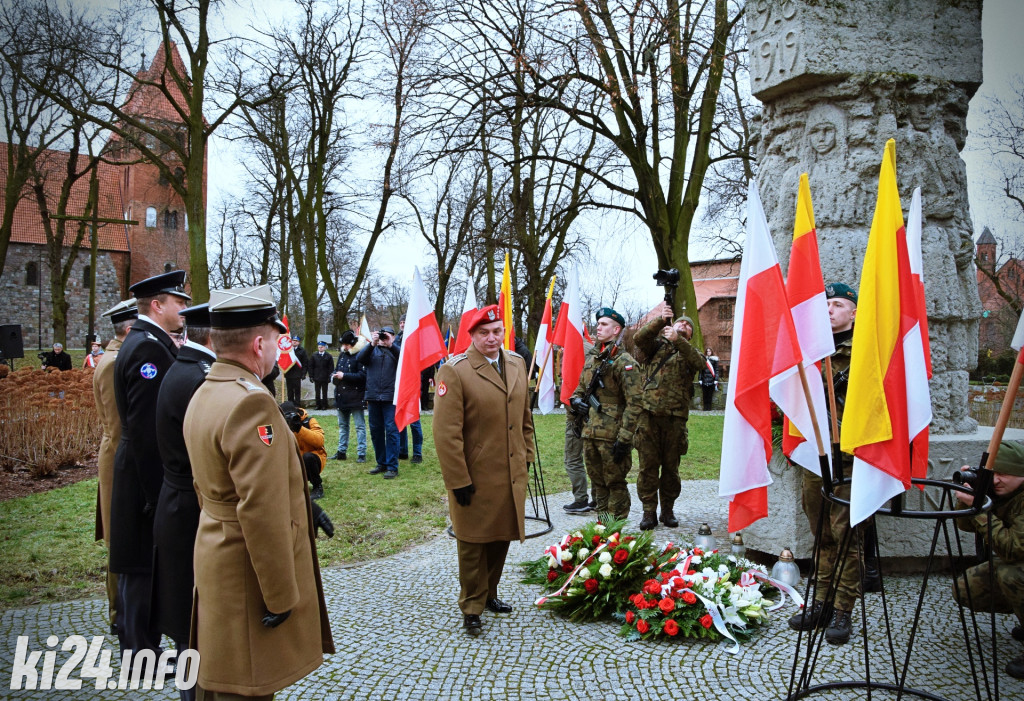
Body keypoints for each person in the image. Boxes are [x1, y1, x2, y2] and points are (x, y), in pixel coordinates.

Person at [183, 284, 333, 698]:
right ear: (259, 343)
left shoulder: (207, 391)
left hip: (218, 555)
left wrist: (305, 506)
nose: (277, 350)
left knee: (220, 683)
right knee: (245, 688)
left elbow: (210, 486)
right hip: (248, 574)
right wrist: (282, 595)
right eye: (274, 340)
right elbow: (260, 510)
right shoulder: (252, 403)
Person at [433, 304, 534, 634]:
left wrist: (527, 457)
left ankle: (490, 593)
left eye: (497, 331)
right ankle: (472, 607)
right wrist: (458, 479)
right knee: (473, 542)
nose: (492, 338)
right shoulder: (455, 371)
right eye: (483, 333)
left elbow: (524, 419)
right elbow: (446, 433)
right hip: (474, 475)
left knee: (501, 535)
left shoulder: (517, 363)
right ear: (472, 335)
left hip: (510, 471)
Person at [110, 270, 190, 656]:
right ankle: (140, 651)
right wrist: (155, 494)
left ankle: (140, 646)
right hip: (145, 474)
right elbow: (145, 430)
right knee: (141, 563)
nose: (185, 308)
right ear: (157, 305)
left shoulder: (147, 341)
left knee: (141, 562)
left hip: (139, 471)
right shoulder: (147, 349)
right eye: (179, 302)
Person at [788, 282, 863, 645]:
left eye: (837, 304)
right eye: (826, 304)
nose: (829, 310)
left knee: (845, 534)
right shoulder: (811, 349)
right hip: (814, 455)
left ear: (854, 312)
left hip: (848, 456)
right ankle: (820, 600)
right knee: (819, 533)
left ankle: (843, 609)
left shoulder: (864, 351)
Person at [151, 303, 214, 695]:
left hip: (176, 505)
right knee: (198, 636)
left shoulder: (185, 368)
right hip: (192, 511)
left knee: (189, 637)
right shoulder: (197, 379)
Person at [953, 440, 1024, 680]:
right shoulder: (1003, 492)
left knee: (1012, 576)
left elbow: (1013, 548)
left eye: (1003, 474)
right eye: (993, 474)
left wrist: (982, 510)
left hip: (1018, 561)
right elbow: (964, 525)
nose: (996, 480)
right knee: (967, 588)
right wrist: (971, 497)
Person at [632, 307, 704, 530]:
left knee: (671, 468)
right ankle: (648, 512)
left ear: (690, 335)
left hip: (675, 419)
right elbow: (638, 338)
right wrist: (659, 320)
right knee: (647, 467)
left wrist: (678, 340)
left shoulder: (690, 352)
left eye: (688, 325)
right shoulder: (655, 348)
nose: (683, 325)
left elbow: (700, 364)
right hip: (649, 417)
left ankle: (668, 510)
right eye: (680, 322)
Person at [92, 298, 137, 637]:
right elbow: (120, 425)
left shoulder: (116, 357)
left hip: (119, 456)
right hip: (119, 461)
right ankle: (119, 615)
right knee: (120, 540)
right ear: (131, 328)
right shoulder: (114, 363)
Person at [569, 308, 641, 520]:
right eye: (598, 324)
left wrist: (625, 437)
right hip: (590, 432)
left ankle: (615, 535)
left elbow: (635, 403)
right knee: (598, 484)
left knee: (615, 484)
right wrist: (577, 402)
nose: (598, 327)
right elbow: (579, 389)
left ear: (616, 329)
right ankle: (602, 528)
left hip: (612, 436)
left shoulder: (624, 362)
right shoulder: (593, 359)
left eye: (604, 324)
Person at [357, 325, 401, 478]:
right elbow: (359, 359)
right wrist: (372, 343)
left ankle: (392, 466)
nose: (384, 338)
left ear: (393, 337)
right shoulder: (371, 351)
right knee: (376, 432)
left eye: (387, 336)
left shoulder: (397, 352)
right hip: (373, 397)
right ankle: (381, 463)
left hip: (390, 398)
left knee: (391, 431)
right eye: (382, 336)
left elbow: (406, 359)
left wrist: (391, 345)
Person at [280, 400, 328, 500]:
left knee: (308, 457)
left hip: (314, 460)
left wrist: (299, 428)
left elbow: (319, 441)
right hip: (295, 462)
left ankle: (317, 486)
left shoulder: (309, 421)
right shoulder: (281, 427)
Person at [332, 330, 367, 462]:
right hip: (342, 395)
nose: (345, 347)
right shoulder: (342, 355)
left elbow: (362, 376)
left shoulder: (360, 355)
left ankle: (361, 453)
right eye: (344, 344)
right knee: (343, 426)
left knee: (359, 426)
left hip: (356, 395)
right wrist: (334, 375)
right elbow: (337, 370)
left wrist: (344, 376)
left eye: (347, 344)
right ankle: (341, 451)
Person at [395, 316, 423, 462]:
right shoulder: (396, 339)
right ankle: (402, 451)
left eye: (405, 322)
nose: (402, 325)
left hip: (413, 384)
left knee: (415, 422)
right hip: (400, 384)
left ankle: (417, 453)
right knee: (401, 419)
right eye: (400, 323)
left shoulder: (416, 339)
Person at [309, 340, 334, 410]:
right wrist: (311, 376)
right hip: (317, 377)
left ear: (325, 347)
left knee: (324, 392)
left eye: (322, 347)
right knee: (317, 392)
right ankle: (318, 405)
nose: (320, 348)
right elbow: (311, 366)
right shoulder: (314, 356)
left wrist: (330, 376)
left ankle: (324, 405)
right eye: (319, 347)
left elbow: (331, 367)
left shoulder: (328, 356)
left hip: (325, 377)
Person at [284, 335, 308, 404]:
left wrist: (304, 373)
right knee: (289, 390)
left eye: (296, 341)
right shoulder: (288, 350)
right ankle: (290, 404)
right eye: (293, 340)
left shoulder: (302, 351)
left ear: (299, 342)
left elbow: (305, 363)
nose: (294, 342)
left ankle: (297, 404)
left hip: (297, 374)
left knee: (297, 390)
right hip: (289, 373)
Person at [700, 347, 719, 411]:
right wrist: (700, 379)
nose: (708, 352)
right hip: (704, 380)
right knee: (704, 395)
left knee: (710, 396)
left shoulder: (715, 360)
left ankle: (709, 408)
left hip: (712, 380)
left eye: (709, 351)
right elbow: (701, 370)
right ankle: (705, 408)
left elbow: (716, 370)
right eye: (707, 351)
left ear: (712, 352)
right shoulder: (703, 359)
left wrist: (716, 379)